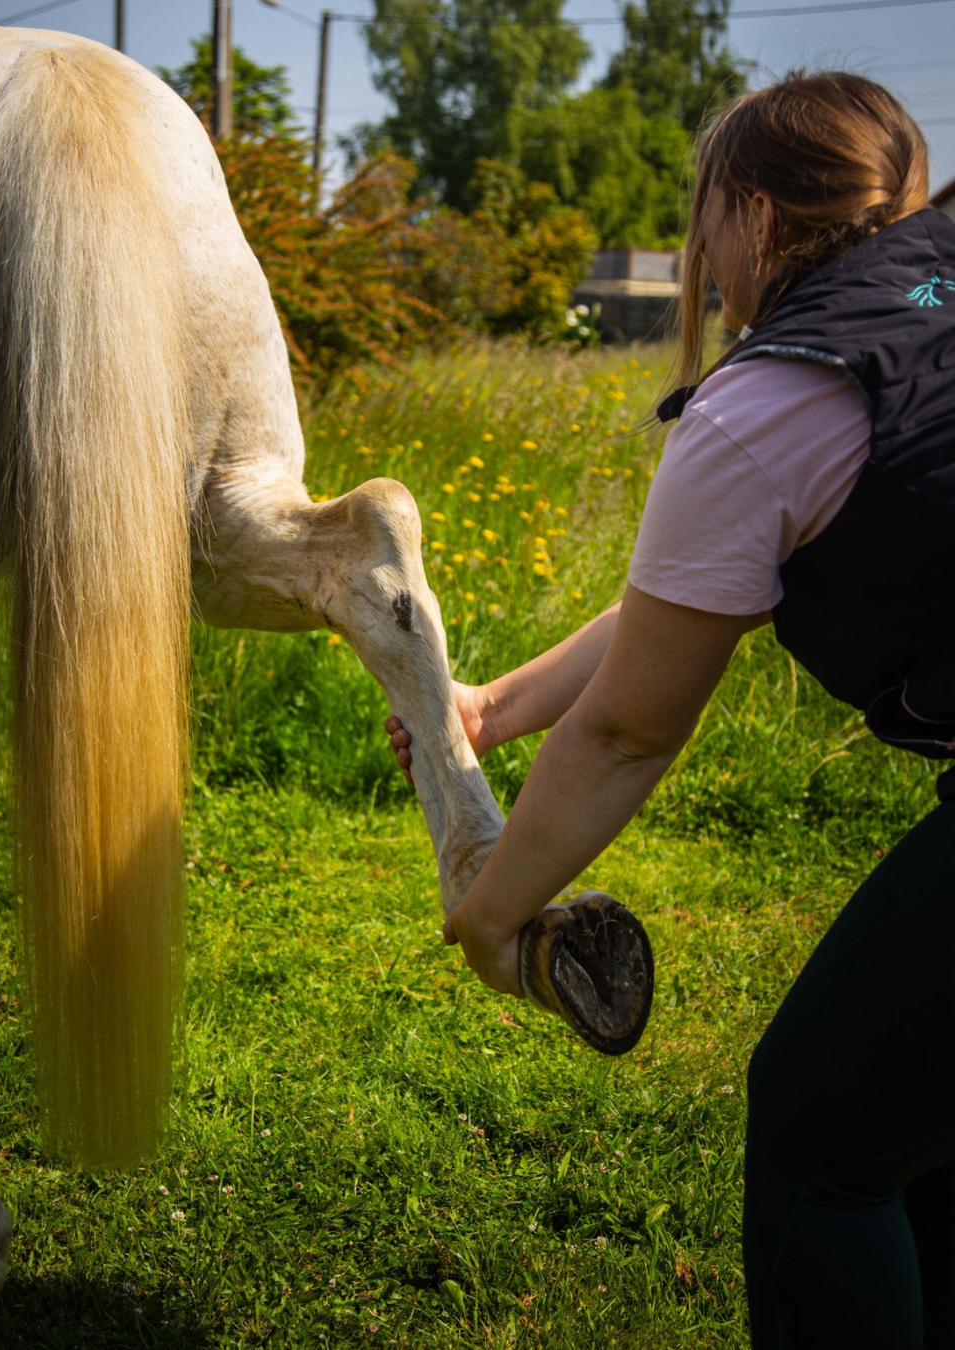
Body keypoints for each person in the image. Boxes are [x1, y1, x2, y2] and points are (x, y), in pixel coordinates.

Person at [385, 71, 955, 1349]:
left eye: (703, 230)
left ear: (753, 218)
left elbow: (632, 731)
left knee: (818, 1138)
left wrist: (487, 917)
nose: (704, 262)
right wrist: (489, 710)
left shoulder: (772, 399)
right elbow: (687, 608)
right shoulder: (934, 287)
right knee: (917, 1134)